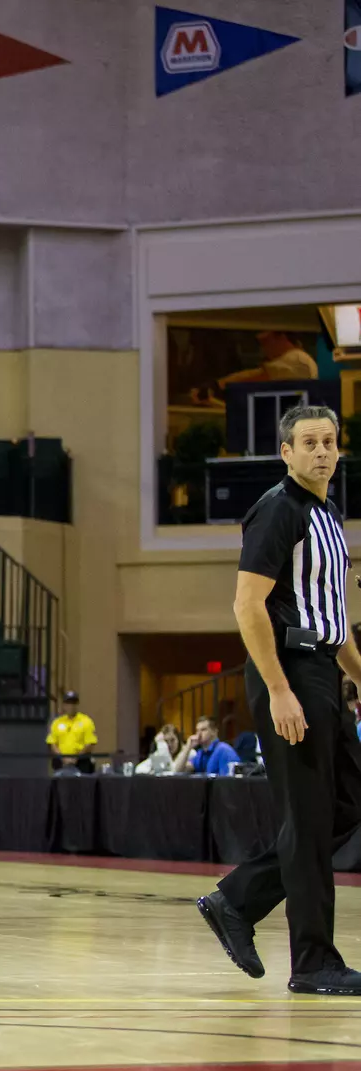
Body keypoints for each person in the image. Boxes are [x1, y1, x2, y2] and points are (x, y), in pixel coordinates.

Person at [198, 404, 361, 996]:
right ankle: (313, 962)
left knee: (347, 803)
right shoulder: (277, 510)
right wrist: (279, 689)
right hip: (288, 672)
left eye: (329, 442)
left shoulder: (330, 515)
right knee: (312, 818)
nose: (321, 451)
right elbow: (247, 606)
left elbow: (336, 621)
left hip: (321, 670)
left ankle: (237, 898)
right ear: (286, 453)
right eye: (308, 442)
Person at [47, 691, 97, 773]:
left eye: (74, 703)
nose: (71, 706)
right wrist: (63, 758)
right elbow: (52, 743)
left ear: (77, 705)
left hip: (81, 763)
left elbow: (90, 743)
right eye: (68, 703)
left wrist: (76, 758)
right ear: (64, 705)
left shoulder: (86, 721)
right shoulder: (57, 722)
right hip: (61, 763)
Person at [175, 715, 240, 776]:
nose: (199, 734)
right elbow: (178, 771)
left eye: (203, 730)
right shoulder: (200, 754)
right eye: (197, 730)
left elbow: (228, 781)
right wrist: (188, 747)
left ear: (214, 731)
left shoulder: (224, 750)